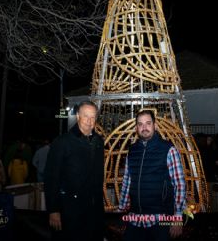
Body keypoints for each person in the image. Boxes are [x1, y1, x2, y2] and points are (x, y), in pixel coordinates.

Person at [118, 109, 186, 240]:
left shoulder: (168, 149)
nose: (144, 127)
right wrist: (122, 209)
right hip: (135, 217)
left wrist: (177, 218)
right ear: (136, 128)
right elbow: (127, 180)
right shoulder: (132, 150)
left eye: (148, 123)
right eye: (140, 124)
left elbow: (180, 185)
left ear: (155, 126)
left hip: (160, 218)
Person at [44, 101, 105, 241]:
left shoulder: (98, 141)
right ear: (78, 116)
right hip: (70, 210)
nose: (89, 121)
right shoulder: (62, 142)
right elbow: (51, 177)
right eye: (86, 116)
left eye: (93, 117)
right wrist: (53, 210)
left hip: (94, 210)